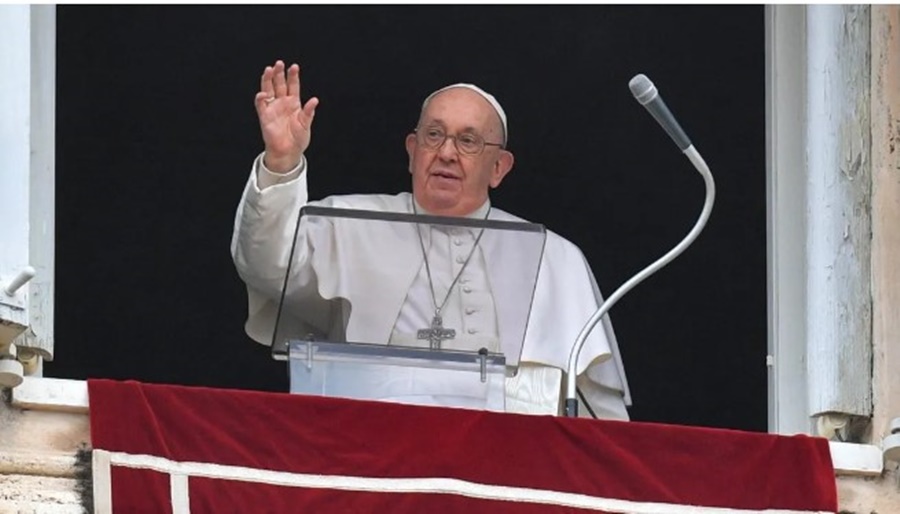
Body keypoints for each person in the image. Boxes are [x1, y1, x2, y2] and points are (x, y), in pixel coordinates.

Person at [231, 60, 631, 419]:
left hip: (508, 461)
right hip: (373, 446)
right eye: (434, 135)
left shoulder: (554, 258)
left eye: (468, 141)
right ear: (412, 151)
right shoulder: (346, 223)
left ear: (499, 168)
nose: (447, 153)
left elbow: (598, 408)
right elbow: (267, 266)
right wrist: (281, 163)